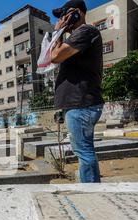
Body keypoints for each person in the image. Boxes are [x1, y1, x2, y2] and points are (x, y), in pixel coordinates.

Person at [51, 0, 104, 183]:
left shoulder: (86, 31)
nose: (63, 19)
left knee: (84, 151)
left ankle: (90, 193)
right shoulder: (78, 37)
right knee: (84, 150)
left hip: (81, 103)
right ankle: (91, 187)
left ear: (77, 13)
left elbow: (55, 56)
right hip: (79, 104)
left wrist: (58, 32)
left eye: (66, 15)